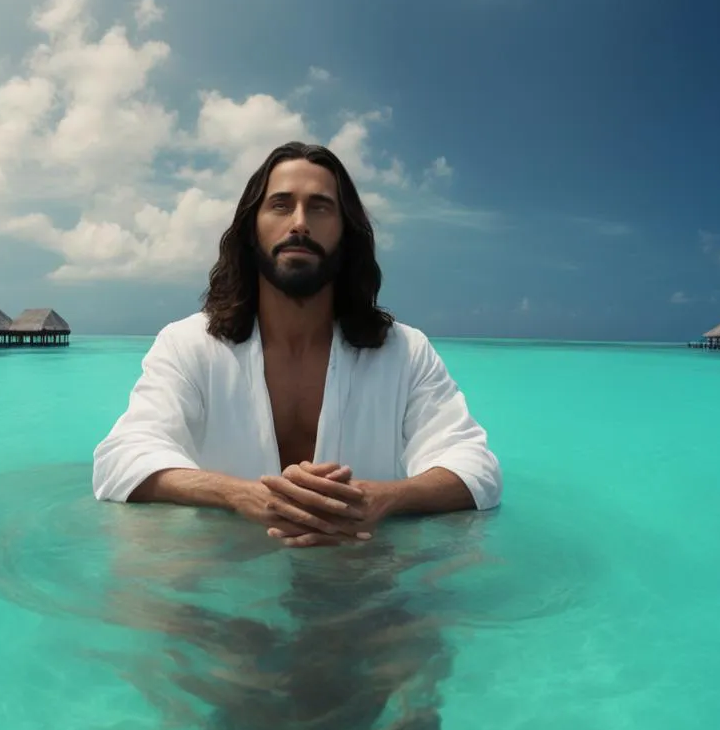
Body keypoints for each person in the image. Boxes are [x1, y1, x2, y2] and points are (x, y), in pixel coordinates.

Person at [92, 141, 502, 548]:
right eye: (281, 205)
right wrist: (236, 494)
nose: (300, 223)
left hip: (357, 574)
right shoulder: (188, 345)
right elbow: (122, 458)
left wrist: (381, 499)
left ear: (346, 232)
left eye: (320, 206)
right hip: (227, 574)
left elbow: (475, 467)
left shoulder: (405, 352)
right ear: (252, 229)